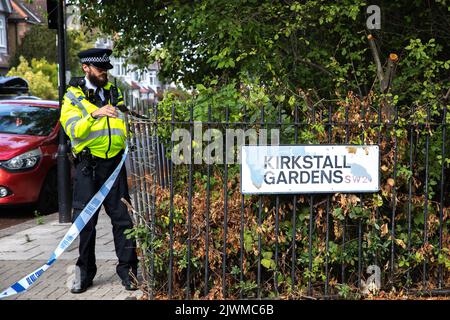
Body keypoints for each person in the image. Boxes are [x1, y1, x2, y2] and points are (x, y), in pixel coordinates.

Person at [60, 48, 138, 293]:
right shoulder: (73, 96)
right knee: (86, 223)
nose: (105, 73)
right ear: (86, 68)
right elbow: (72, 129)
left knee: (123, 220)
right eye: (100, 70)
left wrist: (133, 126)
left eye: (106, 70)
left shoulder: (114, 92)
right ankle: (84, 274)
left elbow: (125, 120)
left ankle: (129, 273)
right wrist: (94, 113)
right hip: (88, 167)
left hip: (114, 165)